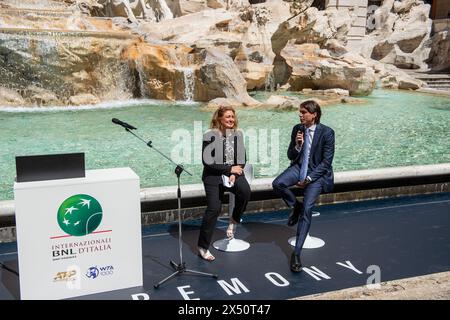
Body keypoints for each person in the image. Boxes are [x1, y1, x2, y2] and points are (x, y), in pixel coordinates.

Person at [272, 100, 335, 272]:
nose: (300, 115)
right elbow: (290, 155)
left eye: (303, 112)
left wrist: (308, 179)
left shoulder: (327, 133)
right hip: (299, 167)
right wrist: (298, 145)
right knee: (278, 184)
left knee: (307, 209)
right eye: (299, 112)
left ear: (314, 114)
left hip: (317, 174)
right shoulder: (297, 129)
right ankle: (295, 206)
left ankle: (296, 254)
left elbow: (326, 162)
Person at [197, 106, 251, 261]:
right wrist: (229, 169)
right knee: (214, 209)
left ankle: (234, 221)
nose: (231, 120)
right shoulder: (209, 135)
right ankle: (202, 246)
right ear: (219, 118)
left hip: (233, 173)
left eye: (233, 117)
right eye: (227, 117)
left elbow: (242, 159)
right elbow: (207, 161)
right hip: (213, 176)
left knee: (245, 191)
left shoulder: (237, 134)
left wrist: (234, 172)